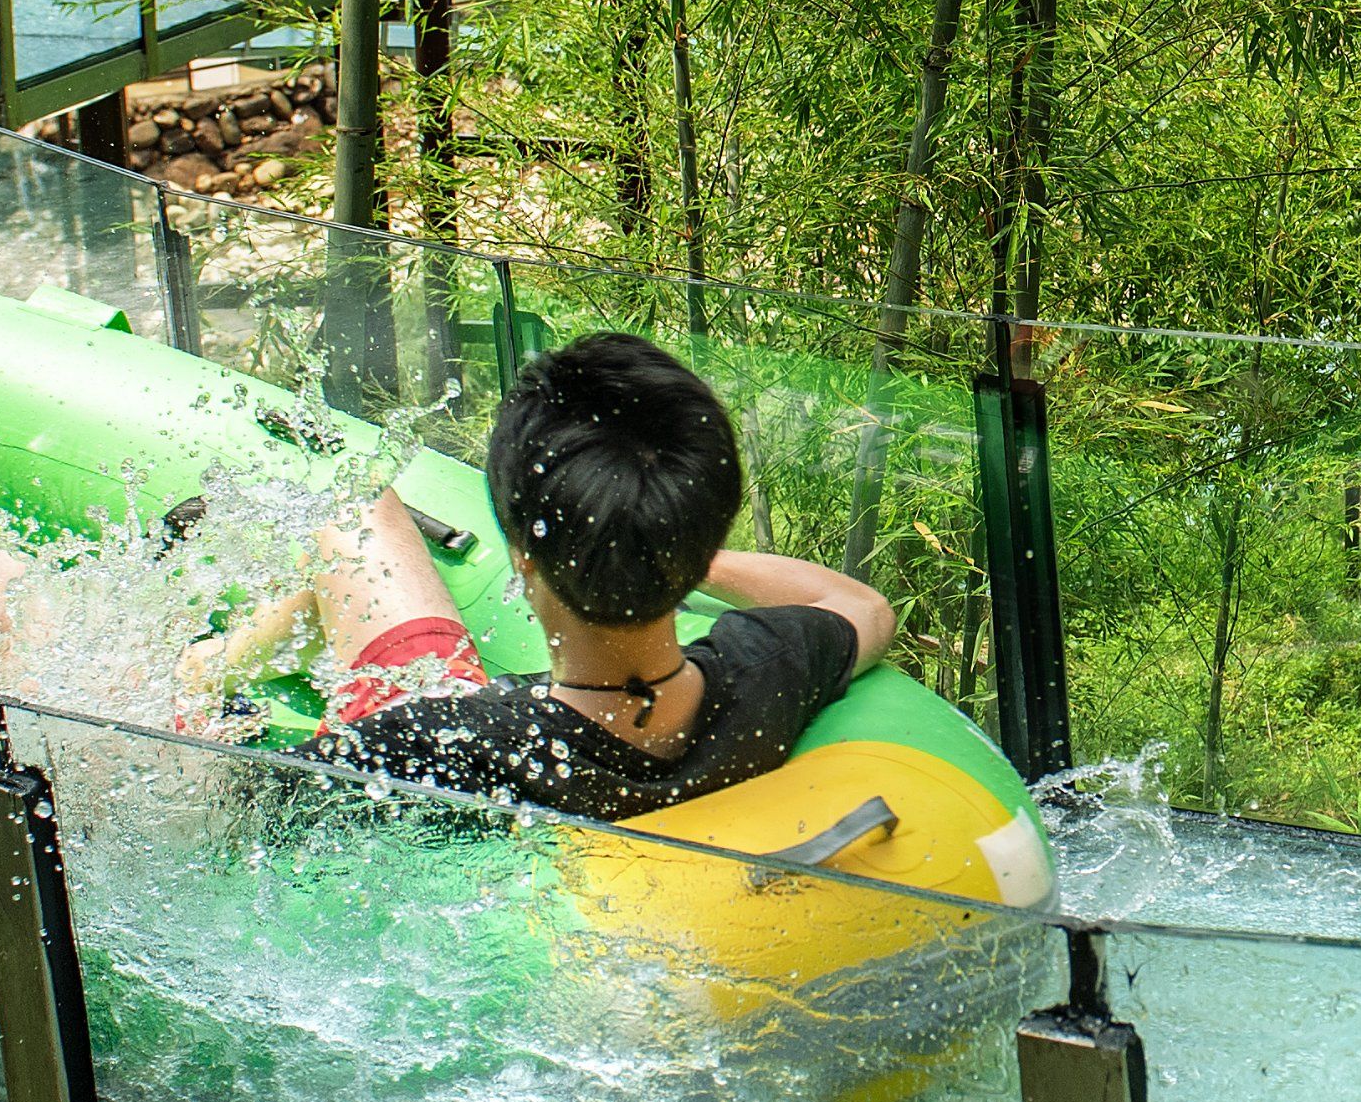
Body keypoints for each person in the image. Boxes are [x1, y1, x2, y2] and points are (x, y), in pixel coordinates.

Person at [174, 333, 895, 821]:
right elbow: (857, 602)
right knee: (365, 512)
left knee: (354, 514)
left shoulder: (426, 743)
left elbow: (210, 807)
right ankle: (258, 647)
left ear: (522, 554)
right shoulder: (768, 674)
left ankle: (205, 670)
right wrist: (659, 543)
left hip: (439, 695)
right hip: (511, 705)